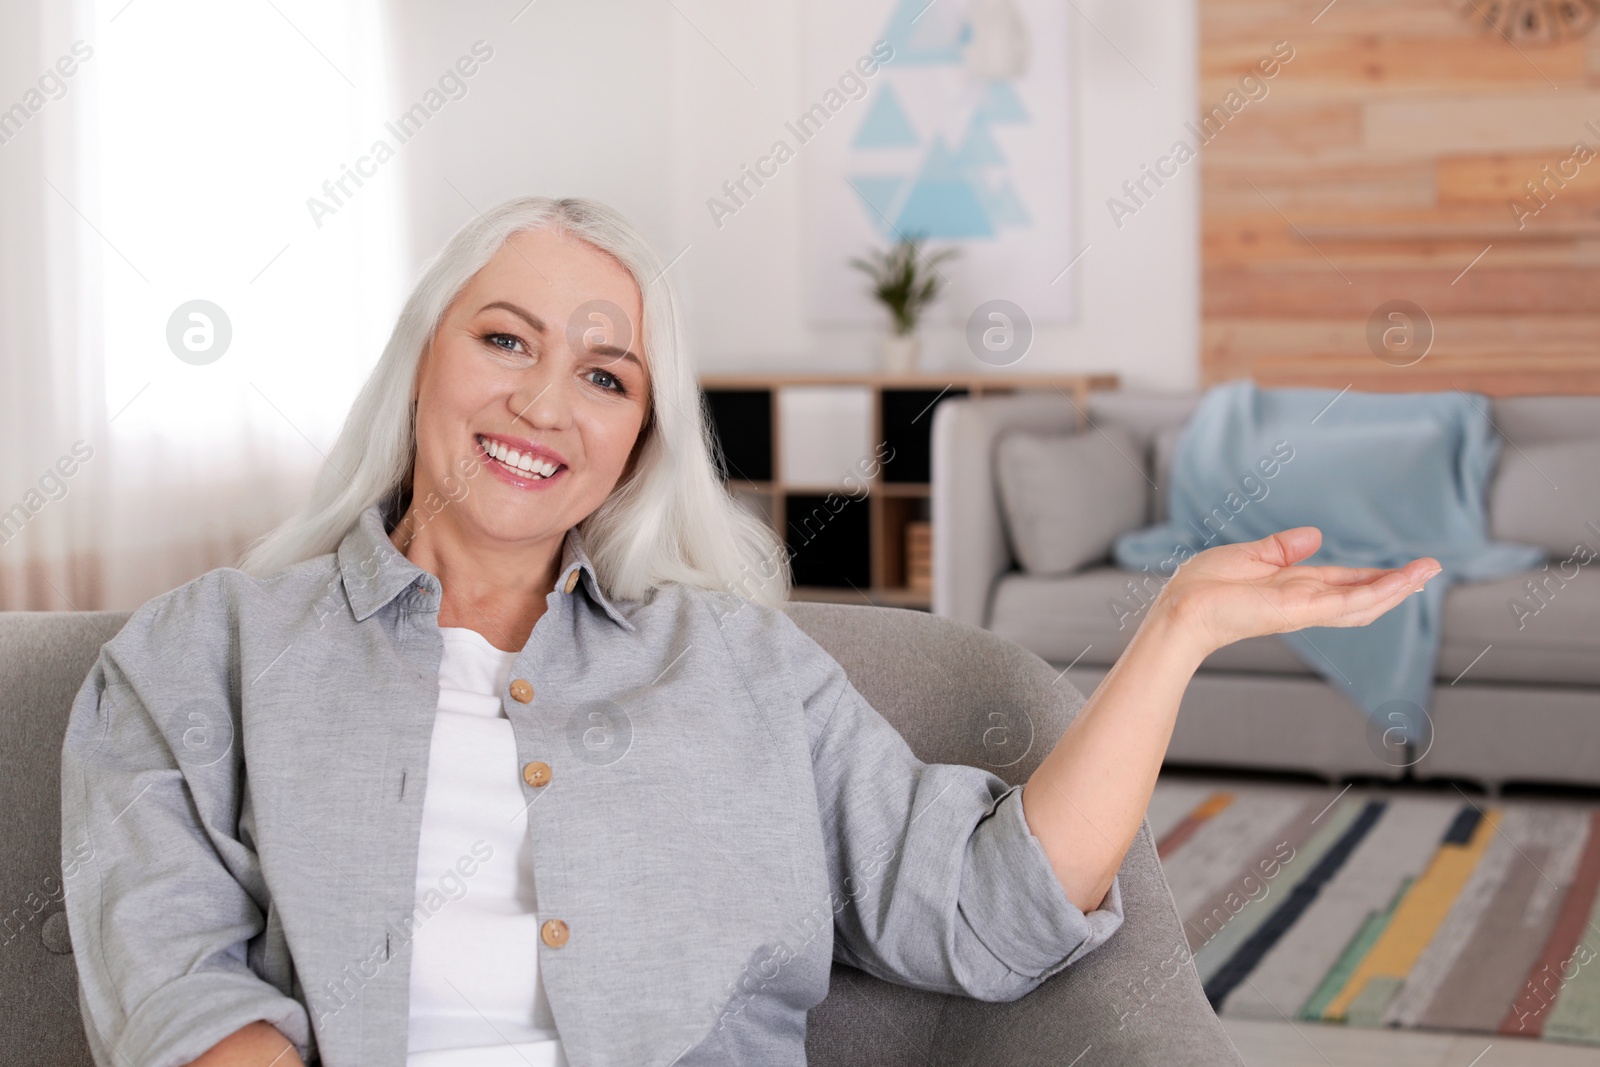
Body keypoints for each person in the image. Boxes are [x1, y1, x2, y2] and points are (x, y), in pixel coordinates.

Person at [58, 195, 1441, 1067]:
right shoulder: (204, 650)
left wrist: (1176, 631)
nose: (546, 403)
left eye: (605, 373)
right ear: (422, 359)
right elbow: (173, 984)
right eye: (504, 340)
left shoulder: (738, 665)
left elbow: (987, 912)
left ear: (639, 440)